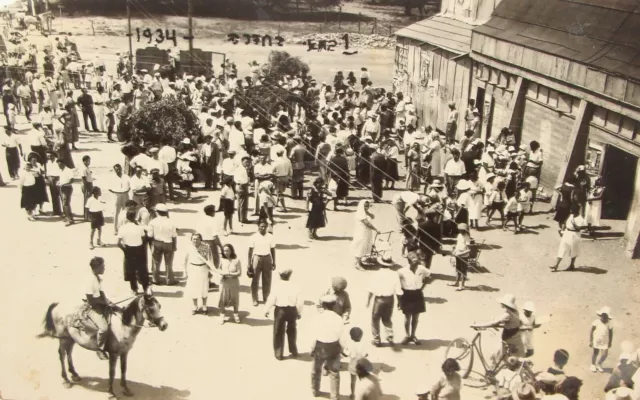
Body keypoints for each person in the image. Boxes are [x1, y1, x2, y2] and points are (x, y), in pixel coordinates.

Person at [85, 256, 122, 360]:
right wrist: (105, 303)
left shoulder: (98, 277)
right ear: (97, 268)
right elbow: (90, 300)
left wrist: (108, 301)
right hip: (93, 307)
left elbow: (101, 292)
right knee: (103, 328)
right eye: (102, 266)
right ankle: (99, 349)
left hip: (101, 303)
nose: (104, 268)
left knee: (118, 311)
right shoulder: (90, 280)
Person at [311, 295, 344, 400]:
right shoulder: (339, 318)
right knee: (334, 372)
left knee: (316, 369)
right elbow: (341, 336)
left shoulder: (319, 317)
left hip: (320, 346)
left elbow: (314, 335)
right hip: (334, 346)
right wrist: (343, 348)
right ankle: (334, 395)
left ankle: (315, 390)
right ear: (334, 305)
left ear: (323, 305)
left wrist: (312, 348)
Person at [264, 268, 302, 360]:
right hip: (292, 310)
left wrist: (266, 310)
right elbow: (300, 301)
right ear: (290, 275)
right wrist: (299, 312)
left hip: (280, 310)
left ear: (280, 275)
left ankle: (278, 353)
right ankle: (293, 350)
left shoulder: (276, 286)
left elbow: (271, 299)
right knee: (292, 330)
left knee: (278, 331)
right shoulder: (294, 286)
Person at [471, 294, 523, 361]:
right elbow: (510, 324)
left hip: (508, 339)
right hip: (515, 337)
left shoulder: (506, 315)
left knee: (495, 356)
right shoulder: (515, 312)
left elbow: (492, 323)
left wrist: (477, 325)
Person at [366, 257, 402, 347]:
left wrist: (368, 301)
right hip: (390, 299)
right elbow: (398, 290)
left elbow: (371, 289)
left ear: (380, 264)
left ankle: (377, 340)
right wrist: (399, 302)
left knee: (375, 319)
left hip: (379, 299)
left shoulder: (375, 274)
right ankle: (389, 336)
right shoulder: (394, 274)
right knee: (387, 318)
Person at [398, 251, 430, 345]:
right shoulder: (402, 271)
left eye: (417, 262)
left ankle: (413, 335)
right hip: (406, 294)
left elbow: (428, 275)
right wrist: (399, 300)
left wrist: (422, 288)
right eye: (414, 263)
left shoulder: (421, 268)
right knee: (407, 318)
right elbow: (398, 285)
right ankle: (407, 335)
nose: (416, 264)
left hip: (417, 294)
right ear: (409, 262)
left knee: (415, 317)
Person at [117, 209, 149, 295]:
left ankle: (134, 289)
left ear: (126, 218)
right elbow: (143, 239)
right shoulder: (139, 228)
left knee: (131, 270)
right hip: (139, 249)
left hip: (129, 249)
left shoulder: (122, 228)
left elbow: (118, 243)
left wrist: (125, 250)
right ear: (135, 217)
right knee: (142, 270)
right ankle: (146, 288)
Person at [147, 203, 178, 285]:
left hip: (157, 243)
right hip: (168, 243)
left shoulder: (153, 222)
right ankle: (169, 280)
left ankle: (155, 279)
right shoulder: (171, 222)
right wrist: (174, 246)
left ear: (157, 212)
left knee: (156, 262)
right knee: (169, 263)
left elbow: (150, 235)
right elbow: (174, 236)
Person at [248, 219, 276, 306]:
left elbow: (273, 249)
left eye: (265, 226)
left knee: (267, 279)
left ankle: (266, 298)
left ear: (267, 227)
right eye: (261, 226)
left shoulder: (270, 237)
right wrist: (249, 263)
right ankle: (254, 299)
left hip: (267, 258)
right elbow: (250, 250)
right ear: (258, 227)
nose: (263, 228)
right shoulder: (254, 236)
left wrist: (274, 261)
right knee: (255, 279)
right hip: (257, 258)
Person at [184, 233, 214, 315]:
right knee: (194, 288)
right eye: (194, 239)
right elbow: (185, 260)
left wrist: (210, 271)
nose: (195, 240)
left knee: (204, 288)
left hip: (203, 269)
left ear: (201, 239)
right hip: (192, 269)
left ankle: (204, 306)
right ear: (191, 240)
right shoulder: (189, 248)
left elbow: (210, 259)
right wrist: (185, 271)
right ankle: (195, 306)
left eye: (197, 239)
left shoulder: (206, 247)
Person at [551, 204, 586, 271]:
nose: (571, 211)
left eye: (572, 210)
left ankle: (572, 265)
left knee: (573, 250)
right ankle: (556, 265)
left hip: (574, 235)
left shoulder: (580, 219)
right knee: (562, 248)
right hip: (567, 233)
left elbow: (578, 229)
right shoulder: (571, 215)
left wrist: (574, 223)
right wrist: (562, 230)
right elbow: (565, 222)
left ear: (576, 211)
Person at [352, 200, 380, 270]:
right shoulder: (360, 213)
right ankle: (357, 264)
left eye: (367, 206)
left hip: (366, 232)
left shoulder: (364, 213)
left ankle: (359, 261)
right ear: (361, 206)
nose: (366, 207)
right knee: (360, 246)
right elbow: (367, 223)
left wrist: (367, 212)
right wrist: (376, 229)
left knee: (363, 246)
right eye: (365, 206)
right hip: (361, 232)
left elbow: (373, 217)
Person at [218, 244, 242, 323]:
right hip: (224, 281)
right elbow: (219, 269)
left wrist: (229, 273)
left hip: (234, 282)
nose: (226, 252)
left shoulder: (237, 260)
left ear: (231, 251)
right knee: (222, 298)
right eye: (224, 250)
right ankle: (222, 314)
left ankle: (235, 314)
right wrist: (221, 273)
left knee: (234, 298)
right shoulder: (222, 260)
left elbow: (239, 273)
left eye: (228, 250)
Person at [590, 306, 614, 373]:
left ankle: (599, 364)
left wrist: (610, 342)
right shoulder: (596, 322)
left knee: (605, 354)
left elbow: (611, 333)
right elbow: (592, 331)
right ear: (601, 315)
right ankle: (593, 364)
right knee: (595, 353)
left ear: (608, 317)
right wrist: (591, 340)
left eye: (606, 316)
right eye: (603, 316)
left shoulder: (609, 323)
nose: (604, 318)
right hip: (597, 340)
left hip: (605, 341)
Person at [450, 223, 471, 291]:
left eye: (462, 230)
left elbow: (468, 250)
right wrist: (454, 250)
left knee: (463, 270)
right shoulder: (459, 235)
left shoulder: (467, 237)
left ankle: (462, 285)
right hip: (458, 254)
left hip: (464, 256)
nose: (461, 231)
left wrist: (461, 254)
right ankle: (456, 282)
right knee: (457, 269)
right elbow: (458, 245)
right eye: (460, 230)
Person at [57, 158, 75, 226]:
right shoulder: (61, 170)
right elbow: (62, 179)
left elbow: (72, 180)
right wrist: (59, 182)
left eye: (60, 164)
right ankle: (67, 217)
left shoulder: (68, 170)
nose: (59, 166)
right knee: (64, 204)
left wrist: (63, 184)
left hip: (67, 188)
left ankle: (70, 219)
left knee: (66, 204)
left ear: (64, 163)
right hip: (62, 188)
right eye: (58, 165)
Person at [234, 156, 251, 223]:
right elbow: (245, 180)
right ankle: (243, 219)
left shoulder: (239, 168)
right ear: (242, 162)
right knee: (243, 204)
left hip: (239, 185)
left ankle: (240, 218)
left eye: (248, 162)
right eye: (246, 162)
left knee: (240, 203)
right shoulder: (242, 169)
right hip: (242, 186)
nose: (247, 164)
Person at [45, 151, 62, 216]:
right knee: (53, 196)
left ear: (54, 155)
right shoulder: (48, 162)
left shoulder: (58, 162)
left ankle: (65, 212)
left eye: (50, 155)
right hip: (51, 179)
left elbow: (61, 171)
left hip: (58, 179)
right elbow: (47, 172)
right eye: (48, 156)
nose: (49, 157)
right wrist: (48, 179)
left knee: (61, 196)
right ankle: (56, 211)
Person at [80, 155, 94, 221]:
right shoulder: (84, 168)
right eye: (87, 161)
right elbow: (84, 179)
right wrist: (87, 188)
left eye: (89, 161)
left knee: (88, 200)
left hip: (89, 184)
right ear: (84, 161)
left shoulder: (86, 168)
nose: (88, 162)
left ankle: (87, 215)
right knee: (87, 201)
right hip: (87, 185)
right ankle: (87, 216)